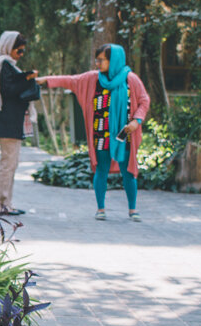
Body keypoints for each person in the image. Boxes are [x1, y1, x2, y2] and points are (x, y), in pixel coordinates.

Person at [37, 43, 150, 221]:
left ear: (113, 60)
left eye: (101, 60)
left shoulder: (131, 79)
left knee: (128, 172)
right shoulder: (92, 79)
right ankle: (100, 208)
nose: (97, 63)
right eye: (96, 60)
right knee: (101, 169)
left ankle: (133, 209)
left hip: (125, 134)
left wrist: (136, 121)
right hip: (100, 135)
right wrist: (46, 80)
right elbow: (70, 80)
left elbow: (144, 101)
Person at [0, 31, 41, 217]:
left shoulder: (6, 65)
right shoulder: (3, 64)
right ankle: (0, 205)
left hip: (10, 122)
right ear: (9, 48)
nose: (21, 55)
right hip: (8, 121)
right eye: (19, 50)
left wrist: (25, 77)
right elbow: (9, 90)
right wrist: (27, 79)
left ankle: (6, 203)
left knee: (11, 164)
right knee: (8, 164)